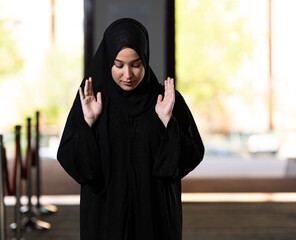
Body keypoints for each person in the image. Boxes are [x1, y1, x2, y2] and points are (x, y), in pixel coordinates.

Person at [57, 18, 204, 240]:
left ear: (145, 59)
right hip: (106, 216)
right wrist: (88, 124)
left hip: (155, 217)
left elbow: (191, 155)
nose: (128, 75)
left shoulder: (165, 100)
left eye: (136, 64)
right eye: (119, 65)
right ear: (108, 61)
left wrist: (167, 123)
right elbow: (74, 162)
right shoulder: (92, 100)